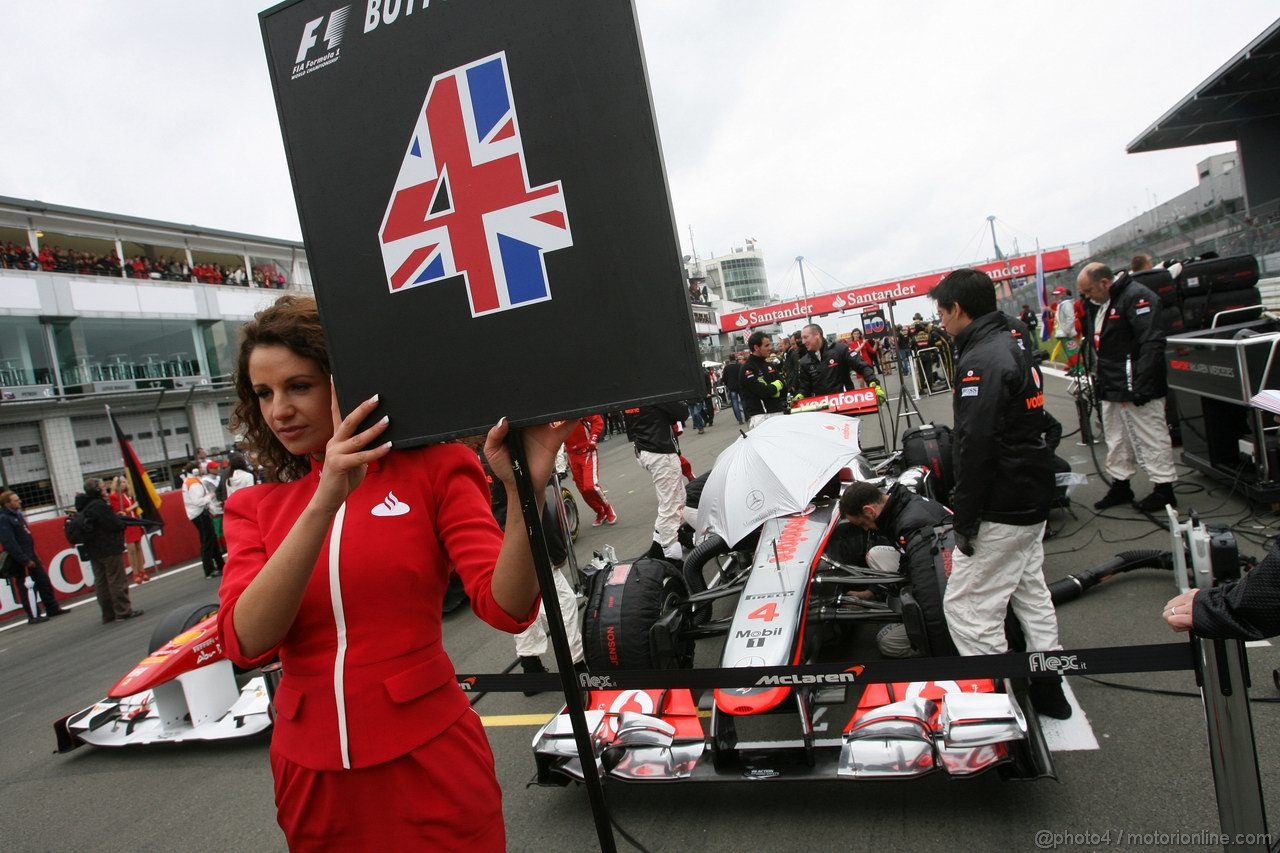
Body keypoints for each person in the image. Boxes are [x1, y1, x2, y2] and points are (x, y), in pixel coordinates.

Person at [216, 294, 572, 849]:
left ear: (345, 382)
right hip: (310, 778)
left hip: (430, 757)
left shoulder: (434, 468)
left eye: (299, 386)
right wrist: (325, 499)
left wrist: (523, 490)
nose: (278, 409)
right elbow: (246, 642)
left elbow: (506, 607)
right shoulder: (254, 508)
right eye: (264, 393)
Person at [930, 268, 1070, 719]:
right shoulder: (1013, 338)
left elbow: (975, 445)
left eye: (941, 311)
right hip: (1031, 494)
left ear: (957, 309)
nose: (940, 321)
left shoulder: (981, 360)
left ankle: (998, 714)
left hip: (1002, 504)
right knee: (1031, 594)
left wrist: (964, 517)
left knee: (969, 609)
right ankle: (1049, 689)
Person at [1076, 262, 1178, 512]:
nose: (1086, 297)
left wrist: (1142, 383)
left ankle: (1164, 489)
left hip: (1138, 385)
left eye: (1089, 291)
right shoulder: (1103, 303)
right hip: (1113, 383)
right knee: (1116, 437)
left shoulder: (1138, 297)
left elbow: (1152, 341)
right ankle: (1121, 484)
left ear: (1104, 282)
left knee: (1151, 434)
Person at [840, 481, 956, 658]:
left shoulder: (913, 526)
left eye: (863, 524)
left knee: (887, 641)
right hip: (946, 566)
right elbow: (905, 559)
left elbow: (931, 589)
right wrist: (871, 593)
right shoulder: (905, 505)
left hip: (949, 589)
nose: (866, 529)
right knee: (876, 554)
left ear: (869, 511)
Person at [624, 401, 689, 560]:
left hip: (645, 448)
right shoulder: (655, 390)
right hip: (660, 451)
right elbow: (681, 412)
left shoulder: (628, 391)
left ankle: (657, 549)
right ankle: (671, 558)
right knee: (671, 506)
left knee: (679, 499)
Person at [75, 478, 144, 624]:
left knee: (101, 582)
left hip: (93, 550)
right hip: (108, 548)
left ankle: (108, 614)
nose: (105, 489)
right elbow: (114, 525)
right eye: (102, 487)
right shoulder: (100, 506)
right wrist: (118, 520)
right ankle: (123, 611)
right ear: (97, 490)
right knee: (116, 580)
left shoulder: (84, 507)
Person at [0, 490, 67, 623]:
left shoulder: (18, 515)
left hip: (31, 555)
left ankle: (52, 607)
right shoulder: (4, 519)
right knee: (27, 588)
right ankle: (33, 615)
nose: (20, 501)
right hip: (21, 560)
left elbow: (27, 536)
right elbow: (10, 543)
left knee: (43, 582)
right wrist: (24, 560)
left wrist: (34, 554)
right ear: (7, 503)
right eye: (16, 500)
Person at [797, 322, 883, 399]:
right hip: (822, 408)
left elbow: (862, 366)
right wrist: (800, 395)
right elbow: (805, 386)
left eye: (805, 337)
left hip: (845, 402)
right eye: (802, 338)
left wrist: (873, 382)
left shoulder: (840, 349)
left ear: (817, 335)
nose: (803, 342)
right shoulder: (804, 361)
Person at [563, 415, 617, 527]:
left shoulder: (576, 406)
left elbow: (597, 420)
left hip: (587, 451)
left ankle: (607, 507)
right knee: (583, 490)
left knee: (590, 486)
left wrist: (593, 439)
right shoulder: (551, 413)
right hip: (571, 455)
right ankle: (599, 511)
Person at [739, 331, 787, 429]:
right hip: (760, 417)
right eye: (766, 345)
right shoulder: (748, 368)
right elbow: (762, 392)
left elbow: (784, 387)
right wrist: (776, 386)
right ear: (756, 347)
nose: (770, 348)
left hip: (778, 412)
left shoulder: (769, 365)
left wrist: (774, 388)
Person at [183, 464, 224, 578]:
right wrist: (210, 496)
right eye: (200, 468)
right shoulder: (193, 483)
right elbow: (198, 501)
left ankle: (221, 565)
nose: (202, 469)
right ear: (195, 470)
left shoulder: (191, 481)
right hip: (200, 513)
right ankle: (209, 569)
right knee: (207, 541)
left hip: (199, 513)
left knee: (212, 540)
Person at [109, 476, 149, 583]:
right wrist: (133, 507)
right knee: (131, 550)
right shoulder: (114, 496)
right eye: (121, 482)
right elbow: (119, 512)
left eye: (124, 482)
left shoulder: (129, 494)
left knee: (138, 547)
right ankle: (135, 572)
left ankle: (142, 570)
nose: (123, 484)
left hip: (135, 521)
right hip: (127, 524)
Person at [722, 353, 745, 425]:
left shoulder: (726, 367)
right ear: (735, 358)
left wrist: (727, 384)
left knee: (735, 403)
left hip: (731, 387)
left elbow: (724, 378)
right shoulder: (739, 365)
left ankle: (739, 419)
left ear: (729, 359)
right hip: (740, 385)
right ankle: (747, 415)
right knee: (743, 400)